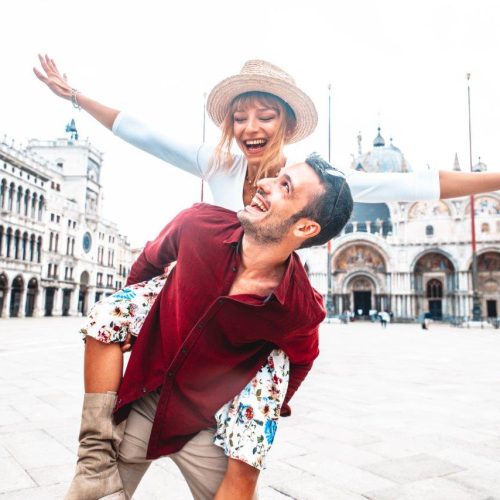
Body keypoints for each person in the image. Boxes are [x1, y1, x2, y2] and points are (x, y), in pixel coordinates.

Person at [33, 55, 500, 498]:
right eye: (239, 117)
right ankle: (96, 457)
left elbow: (420, 183)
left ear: (287, 123)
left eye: (264, 115)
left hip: (246, 329)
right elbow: (142, 133)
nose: (250, 128)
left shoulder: (314, 182)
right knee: (117, 312)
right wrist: (75, 95)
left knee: (267, 375)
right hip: (196, 300)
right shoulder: (220, 164)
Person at [112, 154, 353, 499]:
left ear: (305, 228)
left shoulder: (300, 307)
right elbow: (147, 265)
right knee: (91, 489)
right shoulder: (198, 223)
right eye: (276, 176)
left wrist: (261, 415)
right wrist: (132, 327)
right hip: (144, 400)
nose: (262, 183)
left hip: (208, 425)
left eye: (284, 186)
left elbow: (301, 360)